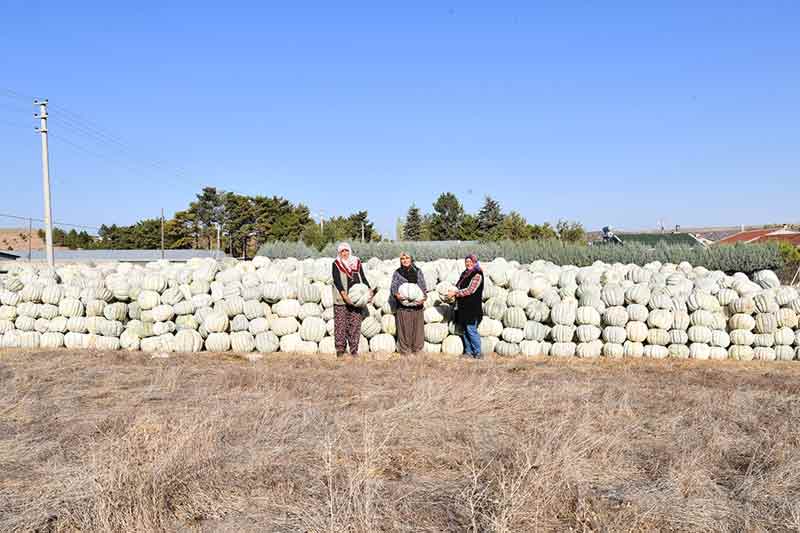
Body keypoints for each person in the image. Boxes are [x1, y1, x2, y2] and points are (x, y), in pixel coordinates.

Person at [331, 242, 372, 357]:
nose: (344, 253)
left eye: (346, 251)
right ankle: (340, 350)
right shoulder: (336, 264)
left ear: (350, 251)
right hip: (341, 299)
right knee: (340, 325)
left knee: (355, 324)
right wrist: (344, 295)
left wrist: (369, 289)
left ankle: (354, 350)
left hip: (357, 298)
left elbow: (363, 277)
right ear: (339, 253)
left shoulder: (356, 262)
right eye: (342, 251)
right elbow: (337, 280)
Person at [448, 254, 484, 358]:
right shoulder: (465, 274)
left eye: (470, 261)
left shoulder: (477, 274)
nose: (468, 263)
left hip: (472, 308)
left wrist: (455, 293)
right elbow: (458, 286)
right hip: (463, 307)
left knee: (471, 330)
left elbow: (470, 290)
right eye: (466, 261)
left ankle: (478, 352)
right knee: (464, 330)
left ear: (475, 262)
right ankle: (468, 352)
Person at [390, 252, 427, 354]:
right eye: (402, 258)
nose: (405, 260)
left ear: (411, 259)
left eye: (407, 258)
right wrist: (397, 295)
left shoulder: (418, 271)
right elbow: (393, 287)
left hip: (417, 306)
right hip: (403, 306)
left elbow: (423, 286)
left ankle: (417, 350)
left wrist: (423, 298)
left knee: (417, 329)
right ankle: (405, 350)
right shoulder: (397, 272)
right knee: (404, 329)